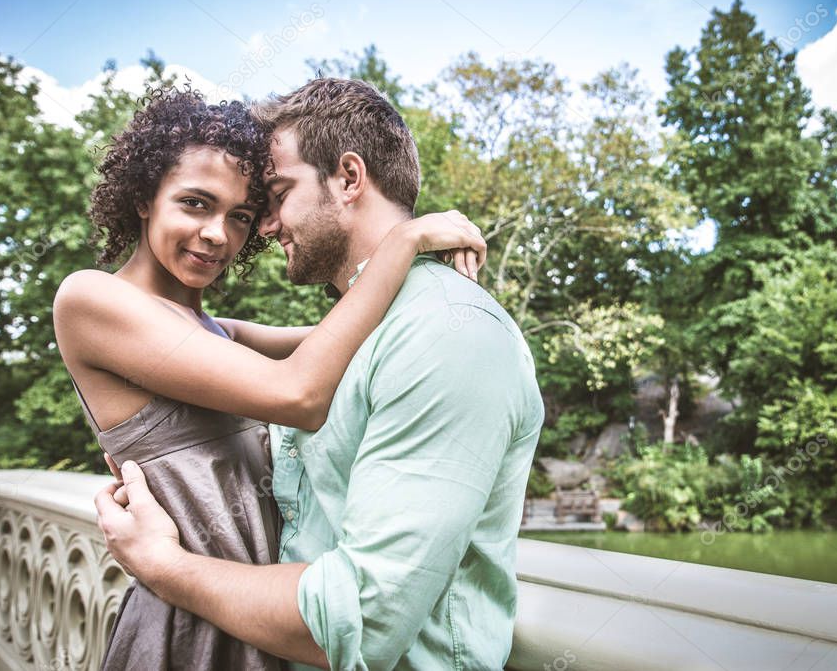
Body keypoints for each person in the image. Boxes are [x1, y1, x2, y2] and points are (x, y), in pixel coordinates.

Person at [95, 78, 545, 671]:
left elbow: (365, 617)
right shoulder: (98, 299)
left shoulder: (446, 332)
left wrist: (163, 564)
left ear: (350, 178)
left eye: (271, 198)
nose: (261, 228)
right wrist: (404, 245)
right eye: (197, 203)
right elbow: (308, 373)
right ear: (144, 198)